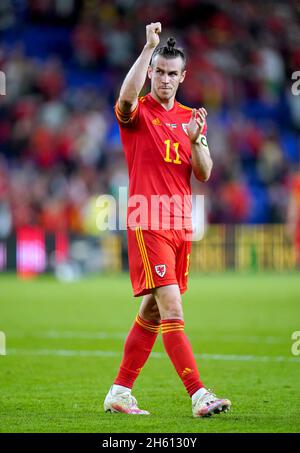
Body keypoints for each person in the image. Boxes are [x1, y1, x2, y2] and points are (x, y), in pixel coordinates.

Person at [104, 22, 231, 418]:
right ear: (152, 72)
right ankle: (199, 395)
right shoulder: (139, 111)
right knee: (172, 309)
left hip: (181, 222)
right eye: (158, 71)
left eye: (171, 73)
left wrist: (196, 141)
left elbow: (206, 172)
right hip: (148, 218)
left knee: (153, 312)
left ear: (182, 76)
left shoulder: (193, 118)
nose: (164, 80)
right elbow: (124, 100)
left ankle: (120, 392)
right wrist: (147, 49)